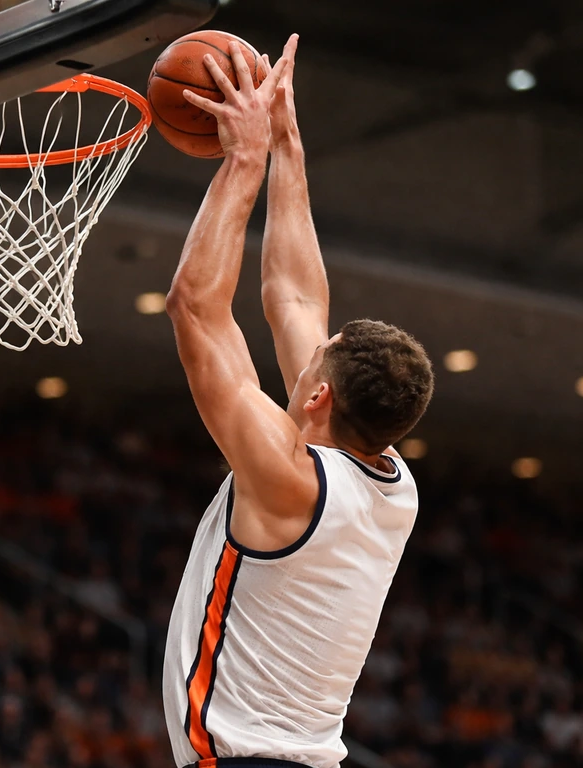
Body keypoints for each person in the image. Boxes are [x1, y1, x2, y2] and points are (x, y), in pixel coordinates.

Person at [162, 35, 435, 768]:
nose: (314, 334)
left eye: (323, 348)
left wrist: (244, 160)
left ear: (315, 395)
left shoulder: (291, 482)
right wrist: (286, 143)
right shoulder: (391, 486)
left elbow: (194, 309)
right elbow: (292, 297)